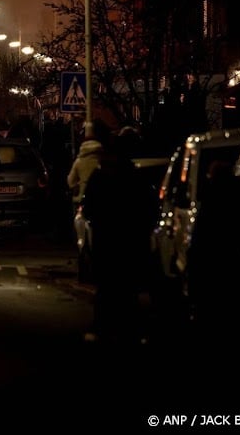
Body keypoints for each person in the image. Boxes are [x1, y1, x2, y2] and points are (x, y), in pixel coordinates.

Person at [82, 133, 158, 344]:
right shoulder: (137, 178)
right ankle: (131, 329)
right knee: (128, 287)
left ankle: (102, 328)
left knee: (106, 287)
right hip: (131, 241)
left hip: (106, 240)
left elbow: (89, 209)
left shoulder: (100, 177)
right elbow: (150, 209)